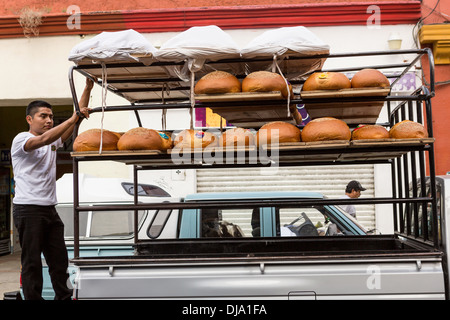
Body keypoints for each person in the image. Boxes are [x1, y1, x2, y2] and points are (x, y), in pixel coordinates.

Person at [10, 78, 93, 300]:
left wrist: (87, 89)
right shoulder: (22, 139)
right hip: (28, 209)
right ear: (29, 119)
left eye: (51, 116)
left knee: (59, 261)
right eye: (43, 116)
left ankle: (64, 298)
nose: (48, 120)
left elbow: (75, 122)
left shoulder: (52, 142)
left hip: (49, 209)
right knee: (32, 263)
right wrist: (74, 117)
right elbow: (46, 138)